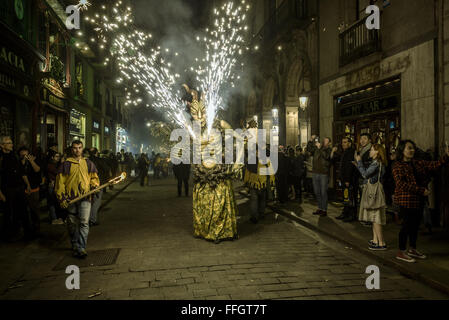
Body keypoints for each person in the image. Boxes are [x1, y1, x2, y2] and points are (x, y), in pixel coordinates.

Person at [184, 84, 241, 244]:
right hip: (202, 177)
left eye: (202, 111)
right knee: (204, 208)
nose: (200, 115)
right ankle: (205, 231)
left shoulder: (220, 124)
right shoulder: (192, 131)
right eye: (195, 113)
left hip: (220, 176)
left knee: (219, 208)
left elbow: (241, 141)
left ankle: (222, 232)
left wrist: (238, 163)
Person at [393, 140, 449, 263]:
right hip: (405, 200)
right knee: (406, 226)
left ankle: (412, 249)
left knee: (415, 226)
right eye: (409, 148)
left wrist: (446, 156)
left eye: (413, 148)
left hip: (418, 201)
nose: (412, 150)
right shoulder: (398, 165)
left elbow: (434, 165)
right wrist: (420, 190)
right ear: (402, 150)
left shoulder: (417, 163)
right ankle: (401, 251)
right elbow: (401, 184)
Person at [55, 140, 100, 258]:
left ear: (82, 148)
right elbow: (60, 183)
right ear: (72, 149)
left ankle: (81, 247)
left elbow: (94, 178)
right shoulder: (66, 165)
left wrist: (94, 185)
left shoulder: (89, 163)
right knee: (72, 224)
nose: (77, 150)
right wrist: (62, 198)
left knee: (84, 223)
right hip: (70, 199)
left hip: (85, 197)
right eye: (75, 148)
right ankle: (74, 243)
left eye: (79, 148)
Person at [356, 144, 388, 250]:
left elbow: (365, 174)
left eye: (372, 150)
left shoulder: (376, 163)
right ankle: (375, 240)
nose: (370, 151)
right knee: (374, 217)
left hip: (374, 192)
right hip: (376, 191)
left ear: (377, 152)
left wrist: (359, 162)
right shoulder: (378, 163)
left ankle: (381, 243)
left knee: (375, 218)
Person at [0, 136, 30, 241]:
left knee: (23, 211)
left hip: (19, 188)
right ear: (2, 145)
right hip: (8, 189)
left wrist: (27, 185)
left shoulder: (14, 156)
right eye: (9, 143)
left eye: (11, 142)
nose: (11, 144)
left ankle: (25, 233)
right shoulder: (1, 158)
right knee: (8, 213)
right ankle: (7, 235)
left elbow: (21, 172)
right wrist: (1, 194)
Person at [244, 145, 275, 224]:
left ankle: (254, 217)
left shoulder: (251, 160)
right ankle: (262, 214)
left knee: (254, 200)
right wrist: (272, 181)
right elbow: (271, 172)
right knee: (262, 200)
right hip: (263, 183)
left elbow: (247, 173)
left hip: (253, 183)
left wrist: (246, 182)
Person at [18, 146, 43, 238]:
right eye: (22, 154)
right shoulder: (20, 163)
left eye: (26, 154)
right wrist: (23, 162)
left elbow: (37, 170)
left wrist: (31, 161)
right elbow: (22, 174)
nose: (24, 156)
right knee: (24, 211)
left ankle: (36, 230)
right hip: (23, 189)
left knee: (34, 210)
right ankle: (27, 231)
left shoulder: (34, 160)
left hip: (34, 188)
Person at [334, 137, 357, 222]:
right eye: (342, 142)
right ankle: (345, 213)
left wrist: (347, 180)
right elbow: (342, 167)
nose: (343, 144)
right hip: (344, 179)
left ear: (349, 143)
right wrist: (340, 178)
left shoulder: (351, 152)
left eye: (345, 142)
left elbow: (349, 167)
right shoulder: (344, 152)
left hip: (349, 180)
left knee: (350, 197)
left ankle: (351, 215)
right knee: (345, 197)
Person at [310, 137, 334, 217]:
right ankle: (320, 208)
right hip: (315, 172)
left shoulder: (329, 150)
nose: (324, 141)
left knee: (323, 192)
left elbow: (327, 157)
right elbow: (309, 150)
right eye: (324, 140)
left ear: (329, 143)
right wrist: (312, 140)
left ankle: (324, 210)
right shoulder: (318, 149)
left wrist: (320, 148)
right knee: (317, 192)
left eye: (326, 140)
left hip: (324, 173)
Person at [88, 148, 111, 226]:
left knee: (89, 201)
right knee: (96, 201)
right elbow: (106, 168)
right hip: (98, 183)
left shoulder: (86, 160)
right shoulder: (99, 160)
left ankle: (87, 218)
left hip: (87, 183)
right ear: (96, 153)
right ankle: (92, 219)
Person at [47, 151, 64, 225]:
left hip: (56, 184)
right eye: (56, 156)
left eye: (59, 156)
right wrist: (62, 163)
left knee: (56, 202)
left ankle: (57, 217)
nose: (58, 158)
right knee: (52, 202)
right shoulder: (50, 165)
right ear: (52, 157)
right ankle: (54, 219)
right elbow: (57, 172)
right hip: (52, 185)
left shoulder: (57, 164)